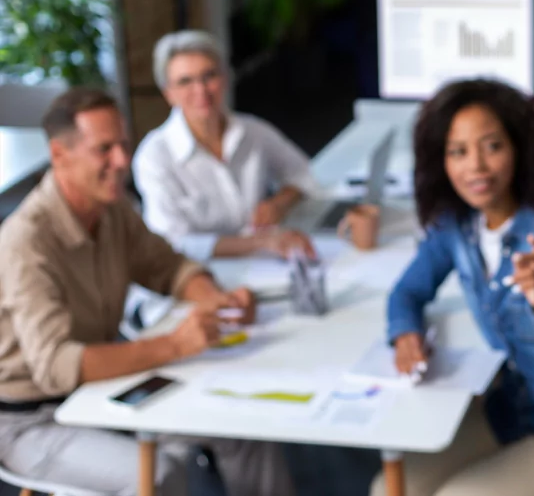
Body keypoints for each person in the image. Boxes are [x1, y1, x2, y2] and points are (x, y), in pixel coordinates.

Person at [0, 88, 296, 496]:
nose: (123, 161)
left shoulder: (112, 209)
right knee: (155, 475)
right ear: (59, 154)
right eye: (104, 149)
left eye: (123, 143)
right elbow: (56, 365)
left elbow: (169, 266)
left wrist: (213, 298)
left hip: (101, 392)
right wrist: (175, 345)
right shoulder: (25, 242)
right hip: (32, 421)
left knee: (242, 425)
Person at [371, 80, 534, 496]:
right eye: (458, 151)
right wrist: (405, 334)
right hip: (513, 417)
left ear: (518, 147)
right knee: (391, 488)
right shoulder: (458, 225)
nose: (475, 166)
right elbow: (407, 291)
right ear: (440, 160)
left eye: (491, 146)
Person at [133, 29, 317, 261]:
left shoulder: (252, 131)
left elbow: (302, 173)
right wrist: (260, 241)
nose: (200, 90)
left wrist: (279, 203)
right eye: (185, 81)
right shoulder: (154, 156)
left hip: (265, 262)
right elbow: (173, 240)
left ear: (225, 78)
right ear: (168, 94)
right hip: (204, 272)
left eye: (209, 75)